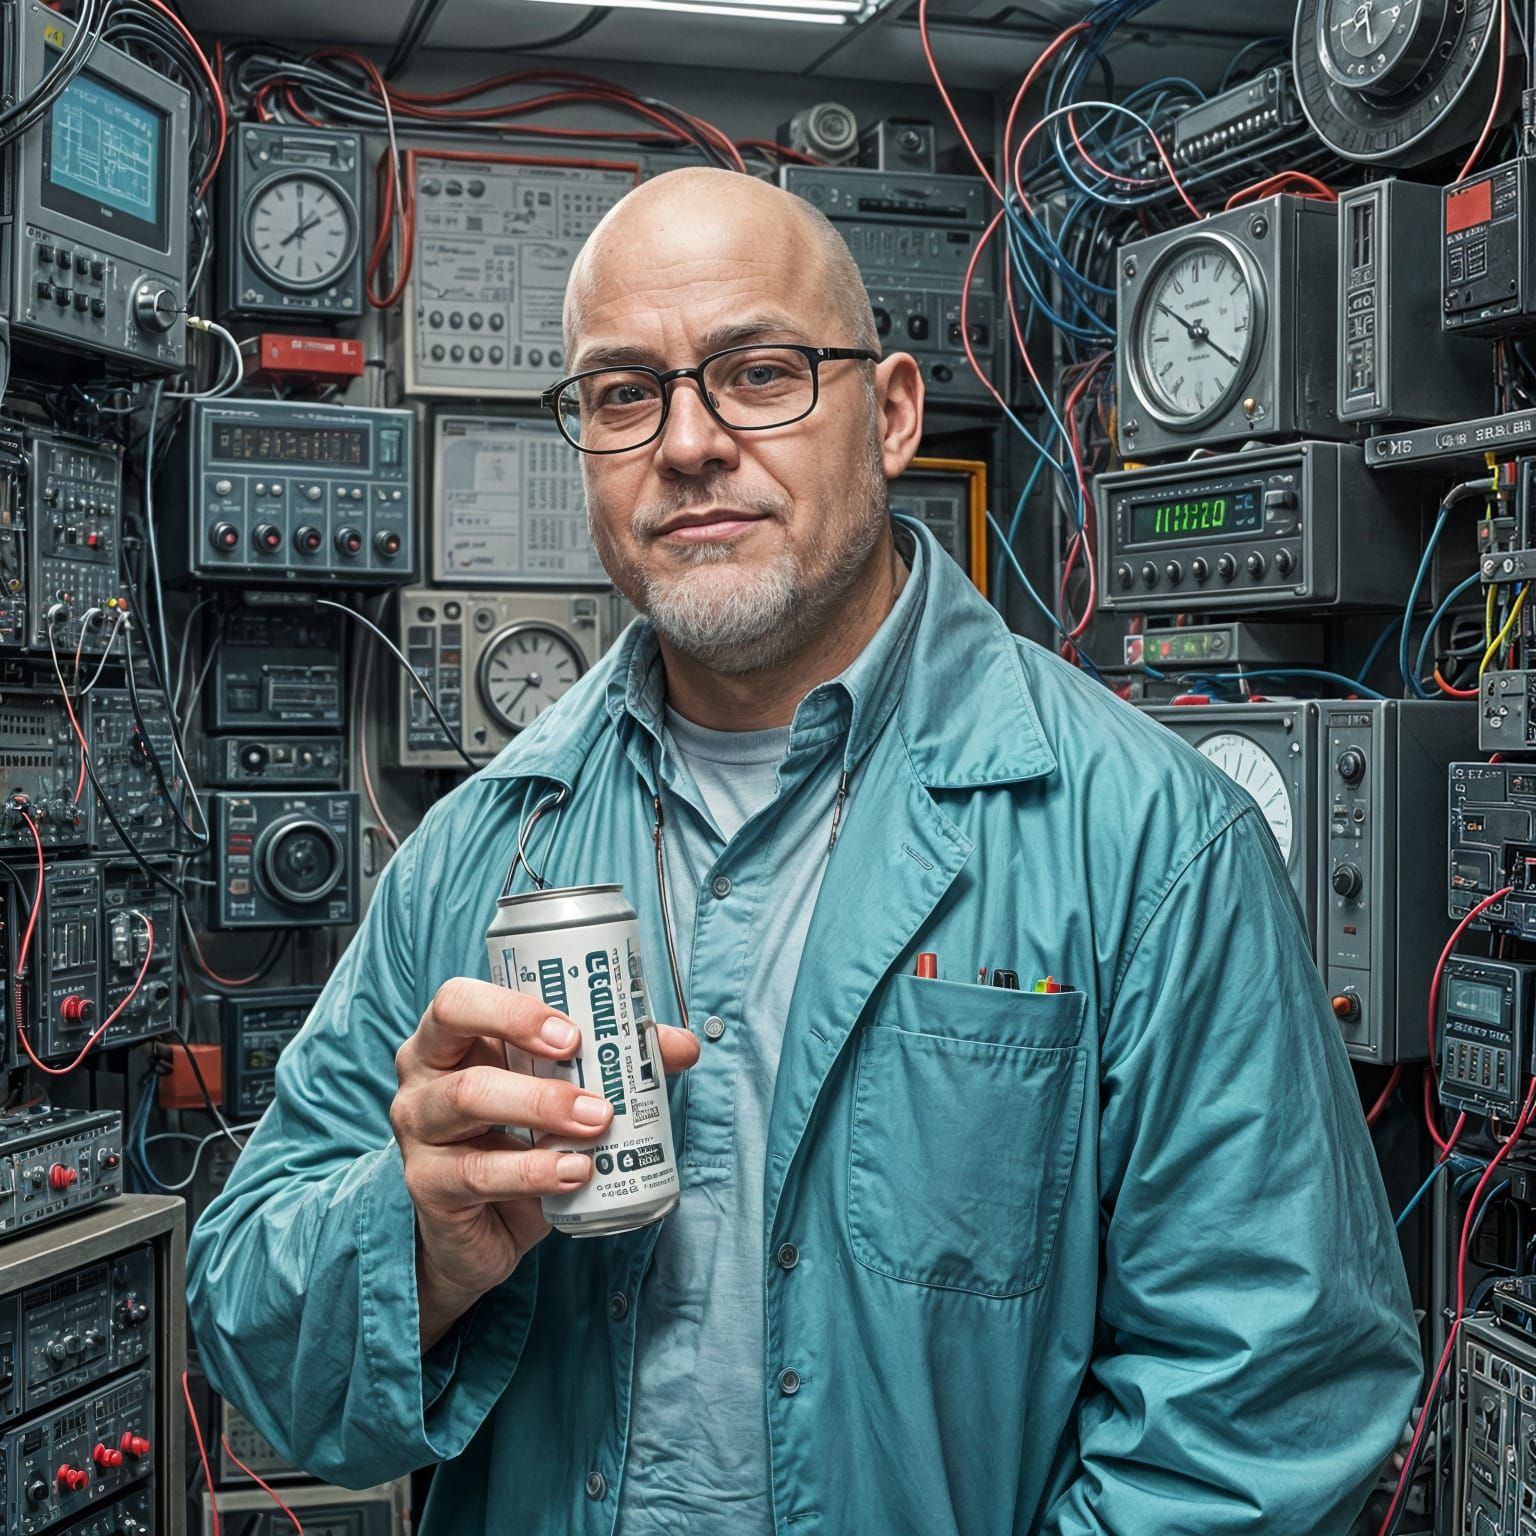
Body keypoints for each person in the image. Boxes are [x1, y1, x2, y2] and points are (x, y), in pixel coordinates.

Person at [186, 166, 1421, 1535]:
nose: (690, 442)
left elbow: (1269, 1405)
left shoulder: (1147, 838)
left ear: (891, 413)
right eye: (621, 394)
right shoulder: (473, 854)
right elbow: (250, 1331)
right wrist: (418, 1244)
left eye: (759, 372)